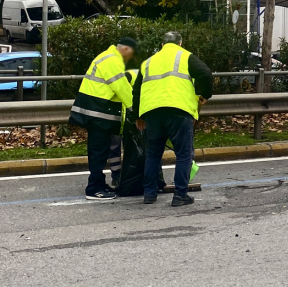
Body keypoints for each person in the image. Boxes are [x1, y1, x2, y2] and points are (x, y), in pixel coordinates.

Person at [133, 31, 212, 206]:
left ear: (162, 45)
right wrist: (205, 95)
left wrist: (138, 117)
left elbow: (136, 91)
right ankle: (180, 195)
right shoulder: (185, 56)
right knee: (183, 154)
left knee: (153, 154)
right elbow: (205, 73)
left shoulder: (148, 62)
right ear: (180, 44)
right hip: (178, 111)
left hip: (152, 112)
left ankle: (149, 194)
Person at [69, 37, 138, 201]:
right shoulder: (111, 60)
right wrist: (136, 112)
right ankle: (94, 188)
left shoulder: (107, 57)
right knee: (98, 152)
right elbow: (122, 88)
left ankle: (99, 183)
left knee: (100, 150)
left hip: (96, 112)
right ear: (126, 49)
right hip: (97, 113)